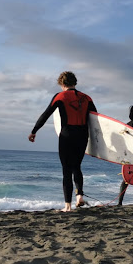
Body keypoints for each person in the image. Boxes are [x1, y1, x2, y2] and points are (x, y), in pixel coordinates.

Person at [28, 71, 97, 212]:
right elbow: (97, 119)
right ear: (75, 82)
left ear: (62, 84)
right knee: (77, 166)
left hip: (67, 135)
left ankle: (67, 206)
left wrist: (34, 131)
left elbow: (46, 114)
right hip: (83, 136)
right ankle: (80, 196)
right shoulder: (87, 98)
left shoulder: (60, 96)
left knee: (67, 170)